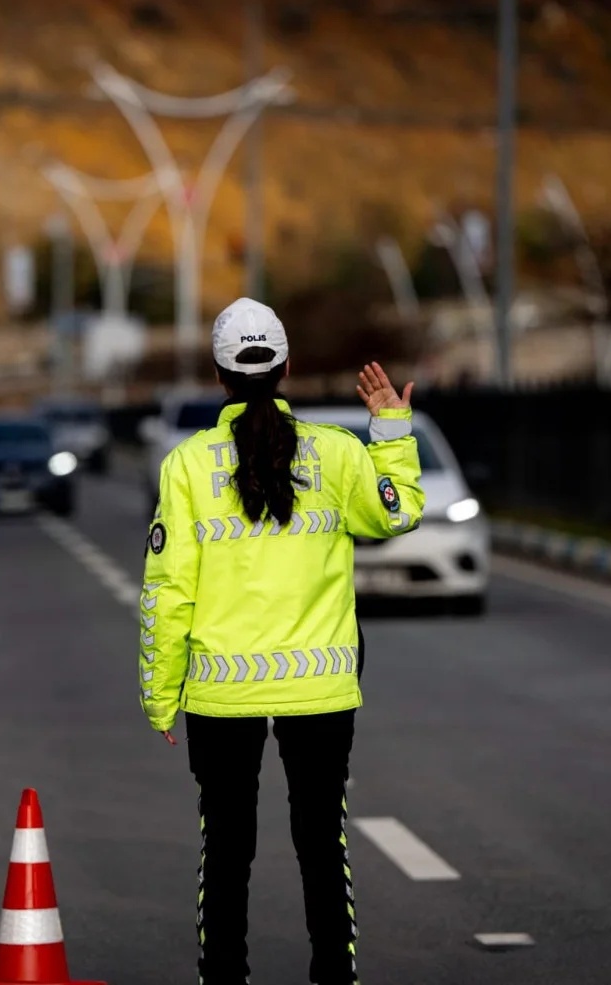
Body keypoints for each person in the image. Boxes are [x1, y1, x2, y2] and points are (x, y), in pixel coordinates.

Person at [138, 297, 424, 985]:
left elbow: (167, 591)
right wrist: (391, 424)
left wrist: (160, 693)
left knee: (227, 849)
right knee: (322, 844)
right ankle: (334, 976)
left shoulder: (186, 466)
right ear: (289, 367)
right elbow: (399, 511)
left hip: (219, 695)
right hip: (320, 689)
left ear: (219, 376)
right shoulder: (337, 453)